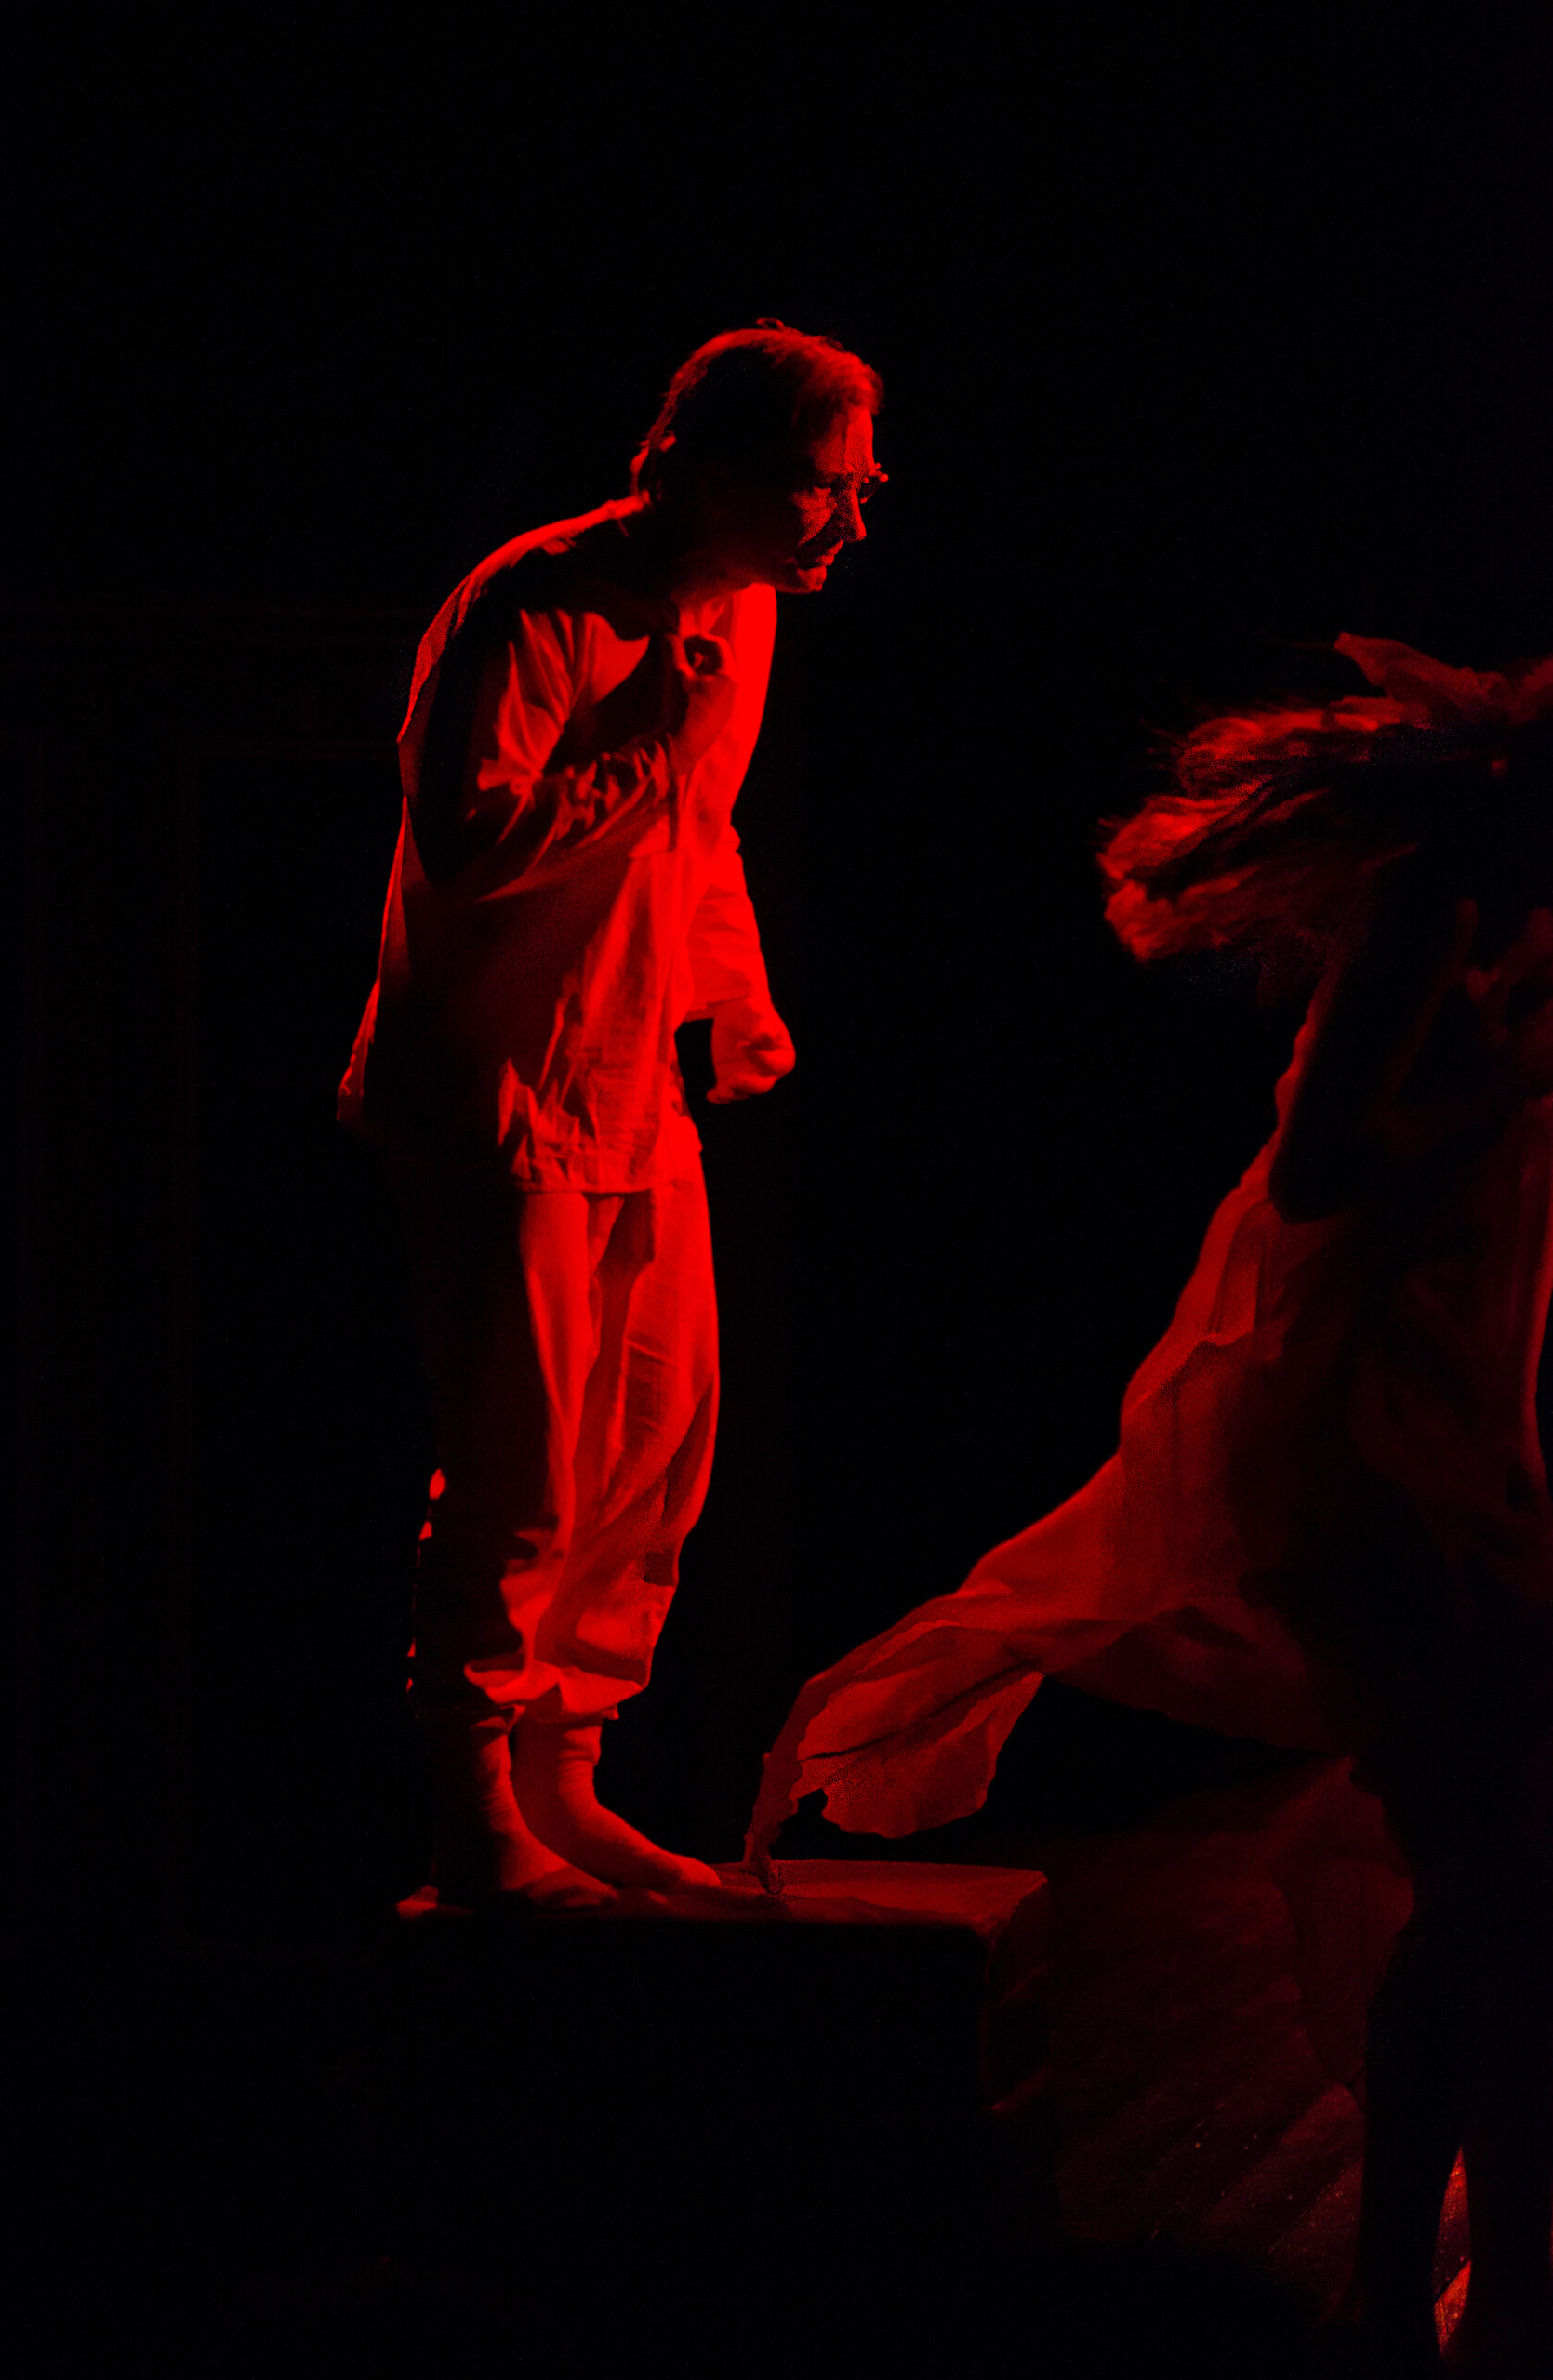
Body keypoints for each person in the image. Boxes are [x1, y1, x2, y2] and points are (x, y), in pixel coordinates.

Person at [746, 637, 1553, 2376]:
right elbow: (1326, 1162)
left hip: (1476, 1414)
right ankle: (1402, 2283)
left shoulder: (1524, 906)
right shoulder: (1442, 899)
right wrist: (1512, 1095)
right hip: (1370, 1422)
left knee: (1506, 1867)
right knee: (1487, 1861)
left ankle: (1466, 2276)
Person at [340, 323, 883, 1911]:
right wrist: (644, 750)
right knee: (518, 1461)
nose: (846, 523)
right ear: (713, 471)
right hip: (504, 1095)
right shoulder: (534, 605)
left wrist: (738, 995)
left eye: (860, 489)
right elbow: (471, 840)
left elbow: (697, 835)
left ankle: (565, 1779)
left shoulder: (741, 619)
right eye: (818, 487)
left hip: (636, 1082)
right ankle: (473, 1813)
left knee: (653, 1441)